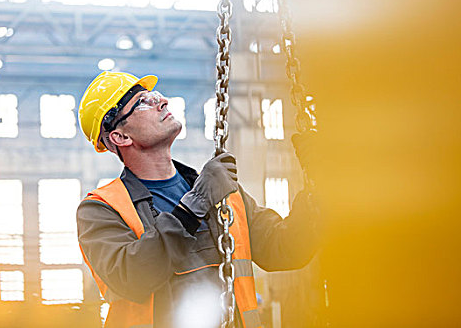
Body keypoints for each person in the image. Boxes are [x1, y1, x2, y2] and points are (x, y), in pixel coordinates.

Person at [77, 71, 321, 328]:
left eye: (157, 96)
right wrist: (197, 202)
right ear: (120, 137)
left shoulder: (221, 191)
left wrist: (320, 186)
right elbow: (132, 276)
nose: (162, 102)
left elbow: (286, 250)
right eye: (143, 101)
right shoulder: (101, 209)